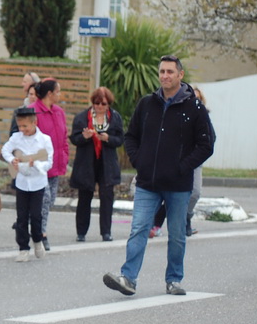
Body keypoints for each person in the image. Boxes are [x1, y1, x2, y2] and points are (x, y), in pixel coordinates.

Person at [103, 55, 214, 297]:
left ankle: (174, 280)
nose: (165, 76)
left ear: (180, 75)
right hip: (147, 182)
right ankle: (128, 278)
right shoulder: (146, 103)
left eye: (170, 72)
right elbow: (131, 137)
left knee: (176, 236)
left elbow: (206, 145)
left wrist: (183, 167)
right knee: (139, 228)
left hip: (178, 185)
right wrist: (139, 161)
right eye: (162, 71)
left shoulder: (194, 108)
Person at [149, 86, 209, 238]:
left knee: (195, 193)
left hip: (195, 161)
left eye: (198, 99)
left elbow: (209, 141)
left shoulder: (203, 116)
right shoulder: (179, 113)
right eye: (192, 98)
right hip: (176, 161)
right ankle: (158, 224)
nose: (195, 101)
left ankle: (186, 218)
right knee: (168, 193)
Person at [69, 87, 124, 242]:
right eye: (96, 103)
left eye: (103, 103)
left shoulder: (115, 118)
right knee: (84, 197)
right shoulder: (82, 117)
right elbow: (74, 139)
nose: (99, 106)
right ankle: (81, 232)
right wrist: (84, 136)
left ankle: (106, 232)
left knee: (107, 197)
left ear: (109, 104)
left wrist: (108, 139)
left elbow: (120, 139)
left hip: (107, 163)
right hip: (87, 162)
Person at [2, 107, 54, 261]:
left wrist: (36, 164)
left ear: (34, 123)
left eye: (25, 126)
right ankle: (23, 248)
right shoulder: (16, 138)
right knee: (21, 217)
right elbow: (5, 150)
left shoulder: (45, 139)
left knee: (36, 216)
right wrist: (13, 160)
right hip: (22, 182)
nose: (22, 129)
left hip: (38, 182)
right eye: (20, 126)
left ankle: (38, 240)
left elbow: (49, 162)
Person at [32, 78, 68, 251]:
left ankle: (34, 227)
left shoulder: (59, 112)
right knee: (44, 199)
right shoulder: (33, 111)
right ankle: (41, 233)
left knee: (50, 199)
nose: (60, 94)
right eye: (58, 91)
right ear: (49, 94)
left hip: (55, 165)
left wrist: (65, 156)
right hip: (38, 166)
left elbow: (63, 137)